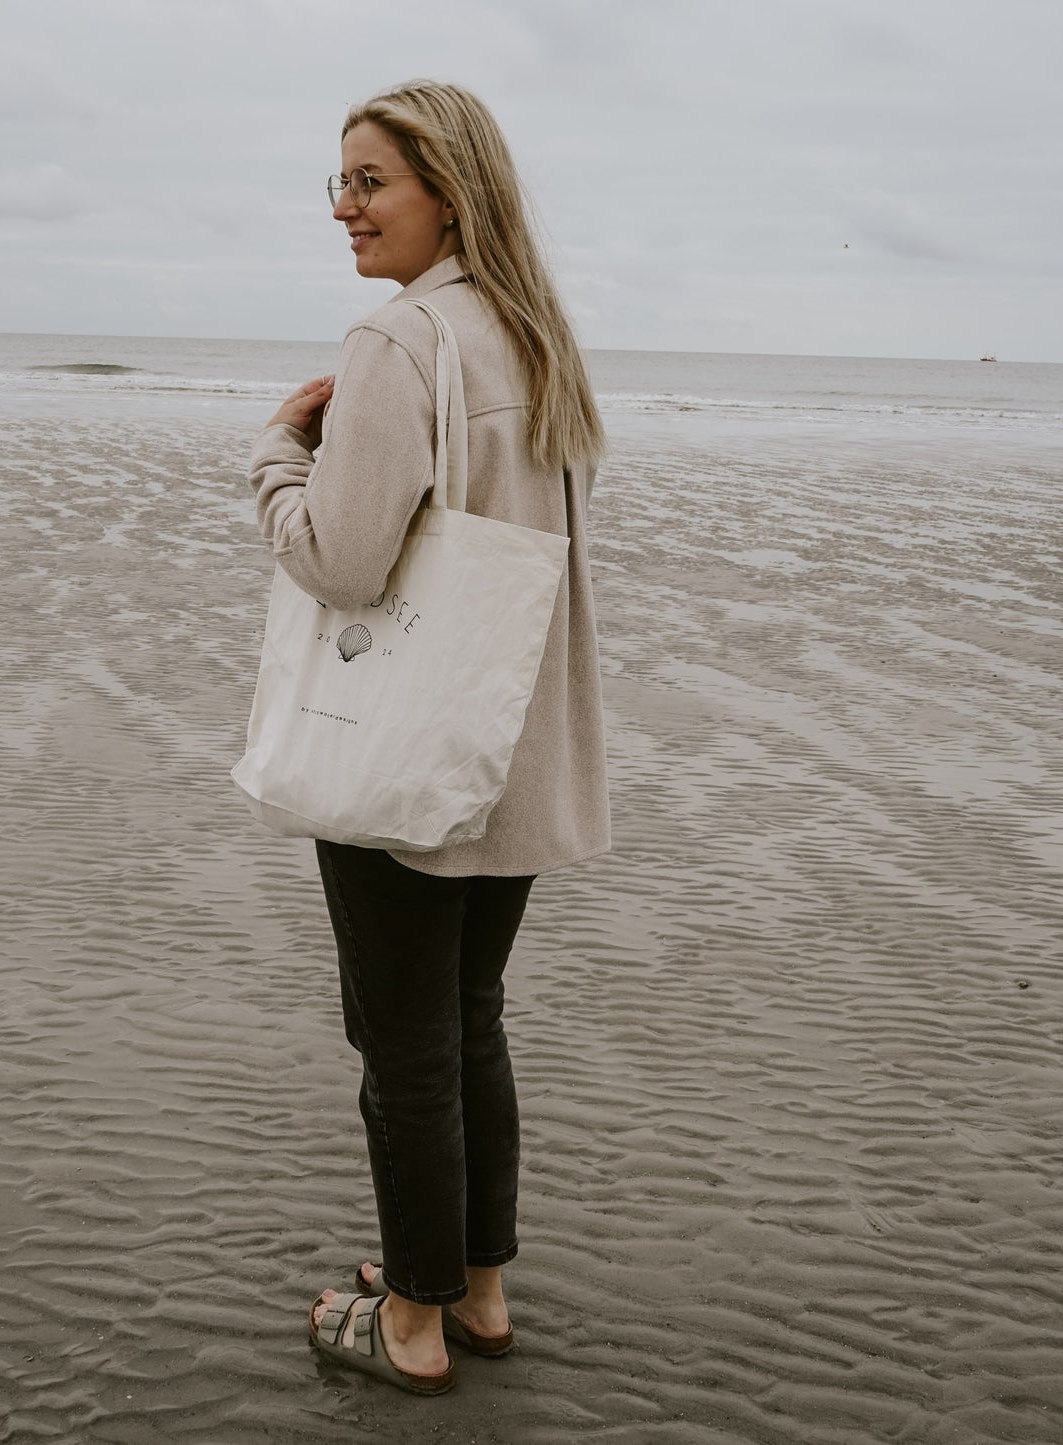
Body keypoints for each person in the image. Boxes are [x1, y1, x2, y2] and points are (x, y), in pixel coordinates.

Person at [247, 79, 609, 1395]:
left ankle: (406, 1319)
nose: (340, 206)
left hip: (404, 753)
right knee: (468, 1022)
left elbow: (342, 565)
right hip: (508, 748)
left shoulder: (401, 341)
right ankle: (481, 1288)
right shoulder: (533, 335)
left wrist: (277, 453)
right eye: (336, 181)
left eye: (366, 180)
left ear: (443, 190)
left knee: (402, 1044)